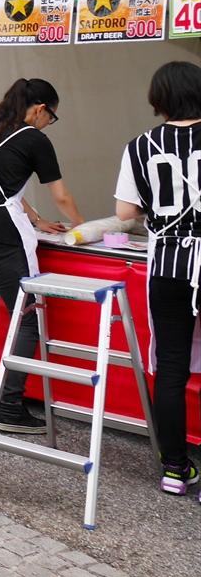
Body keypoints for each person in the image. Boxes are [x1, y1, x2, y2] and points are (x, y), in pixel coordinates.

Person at [0, 78, 84, 434]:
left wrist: (37, 219)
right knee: (26, 320)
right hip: (1, 235)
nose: (49, 123)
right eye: (51, 116)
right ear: (40, 109)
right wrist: (84, 227)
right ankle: (9, 406)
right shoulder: (34, 139)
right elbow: (61, 195)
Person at [114, 61, 201, 498]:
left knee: (170, 367)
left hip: (168, 263)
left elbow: (125, 212)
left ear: (158, 99)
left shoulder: (140, 146)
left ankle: (175, 469)